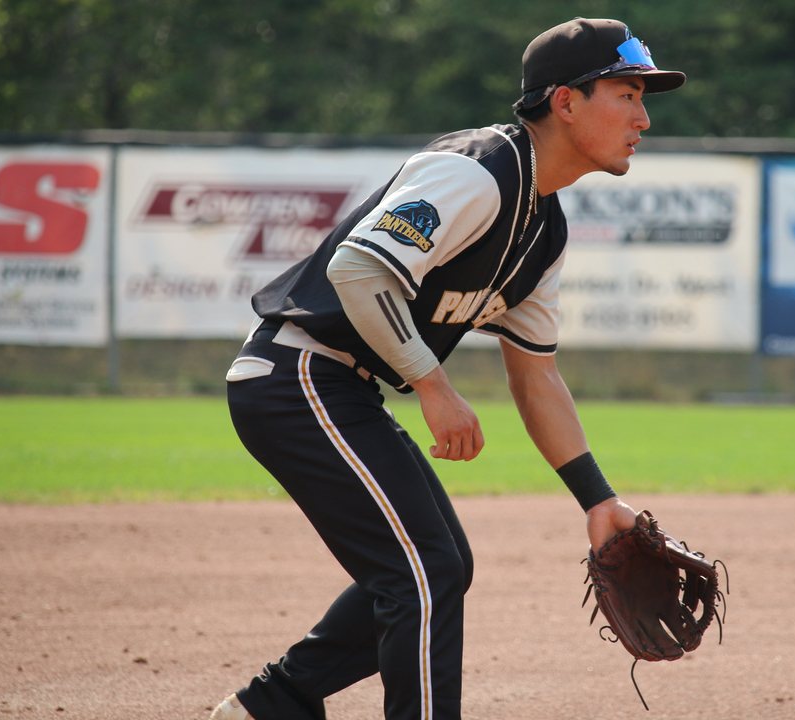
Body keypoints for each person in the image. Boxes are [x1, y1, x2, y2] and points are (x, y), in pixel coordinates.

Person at [210, 18, 685, 720]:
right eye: (627, 95)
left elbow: (536, 376)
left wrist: (596, 499)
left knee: (440, 567)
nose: (643, 118)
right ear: (565, 101)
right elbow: (358, 268)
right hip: (296, 375)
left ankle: (274, 704)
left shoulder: (544, 229)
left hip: (338, 388)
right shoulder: (478, 169)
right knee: (423, 573)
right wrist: (433, 386)